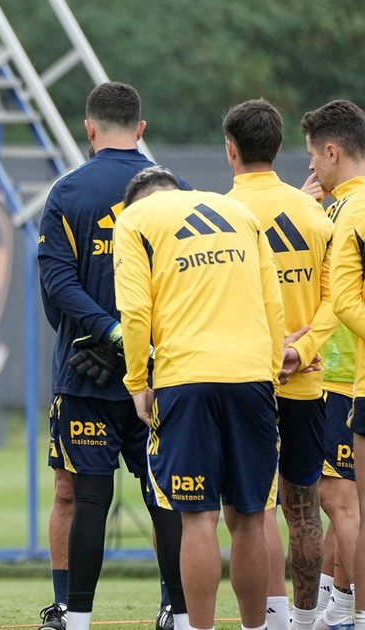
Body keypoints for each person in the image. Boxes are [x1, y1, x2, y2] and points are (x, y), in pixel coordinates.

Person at [36, 82, 188, 630]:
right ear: (141, 129)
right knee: (166, 496)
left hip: (85, 375)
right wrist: (140, 343)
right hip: (163, 376)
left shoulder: (67, 190)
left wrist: (109, 333)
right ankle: (176, 609)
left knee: (81, 495)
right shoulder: (179, 191)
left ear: (89, 128)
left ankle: (71, 612)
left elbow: (58, 283)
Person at [114, 166, 286, 630]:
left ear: (137, 201)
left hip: (185, 378)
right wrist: (270, 375)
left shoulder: (133, 221)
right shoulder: (240, 213)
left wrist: (137, 382)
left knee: (198, 520)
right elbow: (273, 304)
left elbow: (135, 312)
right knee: (250, 518)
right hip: (251, 376)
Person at [222, 99, 332, 630]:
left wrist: (267, 353)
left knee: (256, 509)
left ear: (231, 150)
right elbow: (335, 300)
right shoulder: (314, 213)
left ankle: (273, 619)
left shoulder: (218, 216)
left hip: (248, 379)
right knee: (304, 507)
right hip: (306, 380)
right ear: (281, 147)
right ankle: (307, 622)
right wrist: (301, 351)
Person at [311, 99, 365, 630]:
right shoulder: (343, 205)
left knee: (340, 499)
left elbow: (341, 300)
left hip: (340, 371)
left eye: (313, 157)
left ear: (332, 151)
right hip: (348, 370)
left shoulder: (344, 212)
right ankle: (338, 602)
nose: (312, 168)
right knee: (342, 498)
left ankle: (349, 610)